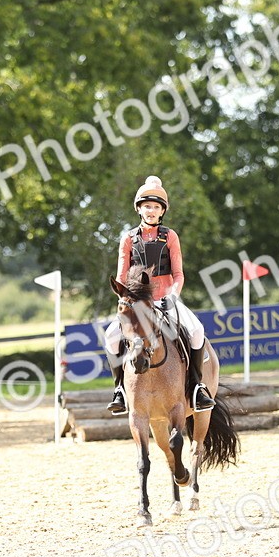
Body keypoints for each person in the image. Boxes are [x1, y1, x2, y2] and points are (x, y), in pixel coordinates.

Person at [105, 175, 216, 415]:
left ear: (162, 210)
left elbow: (178, 273)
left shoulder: (170, 236)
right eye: (147, 206)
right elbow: (121, 277)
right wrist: (125, 301)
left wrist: (174, 295)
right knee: (111, 337)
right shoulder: (127, 238)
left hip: (167, 299)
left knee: (196, 331)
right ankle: (119, 391)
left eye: (156, 207)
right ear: (139, 209)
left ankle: (197, 387)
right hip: (137, 303)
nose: (151, 210)